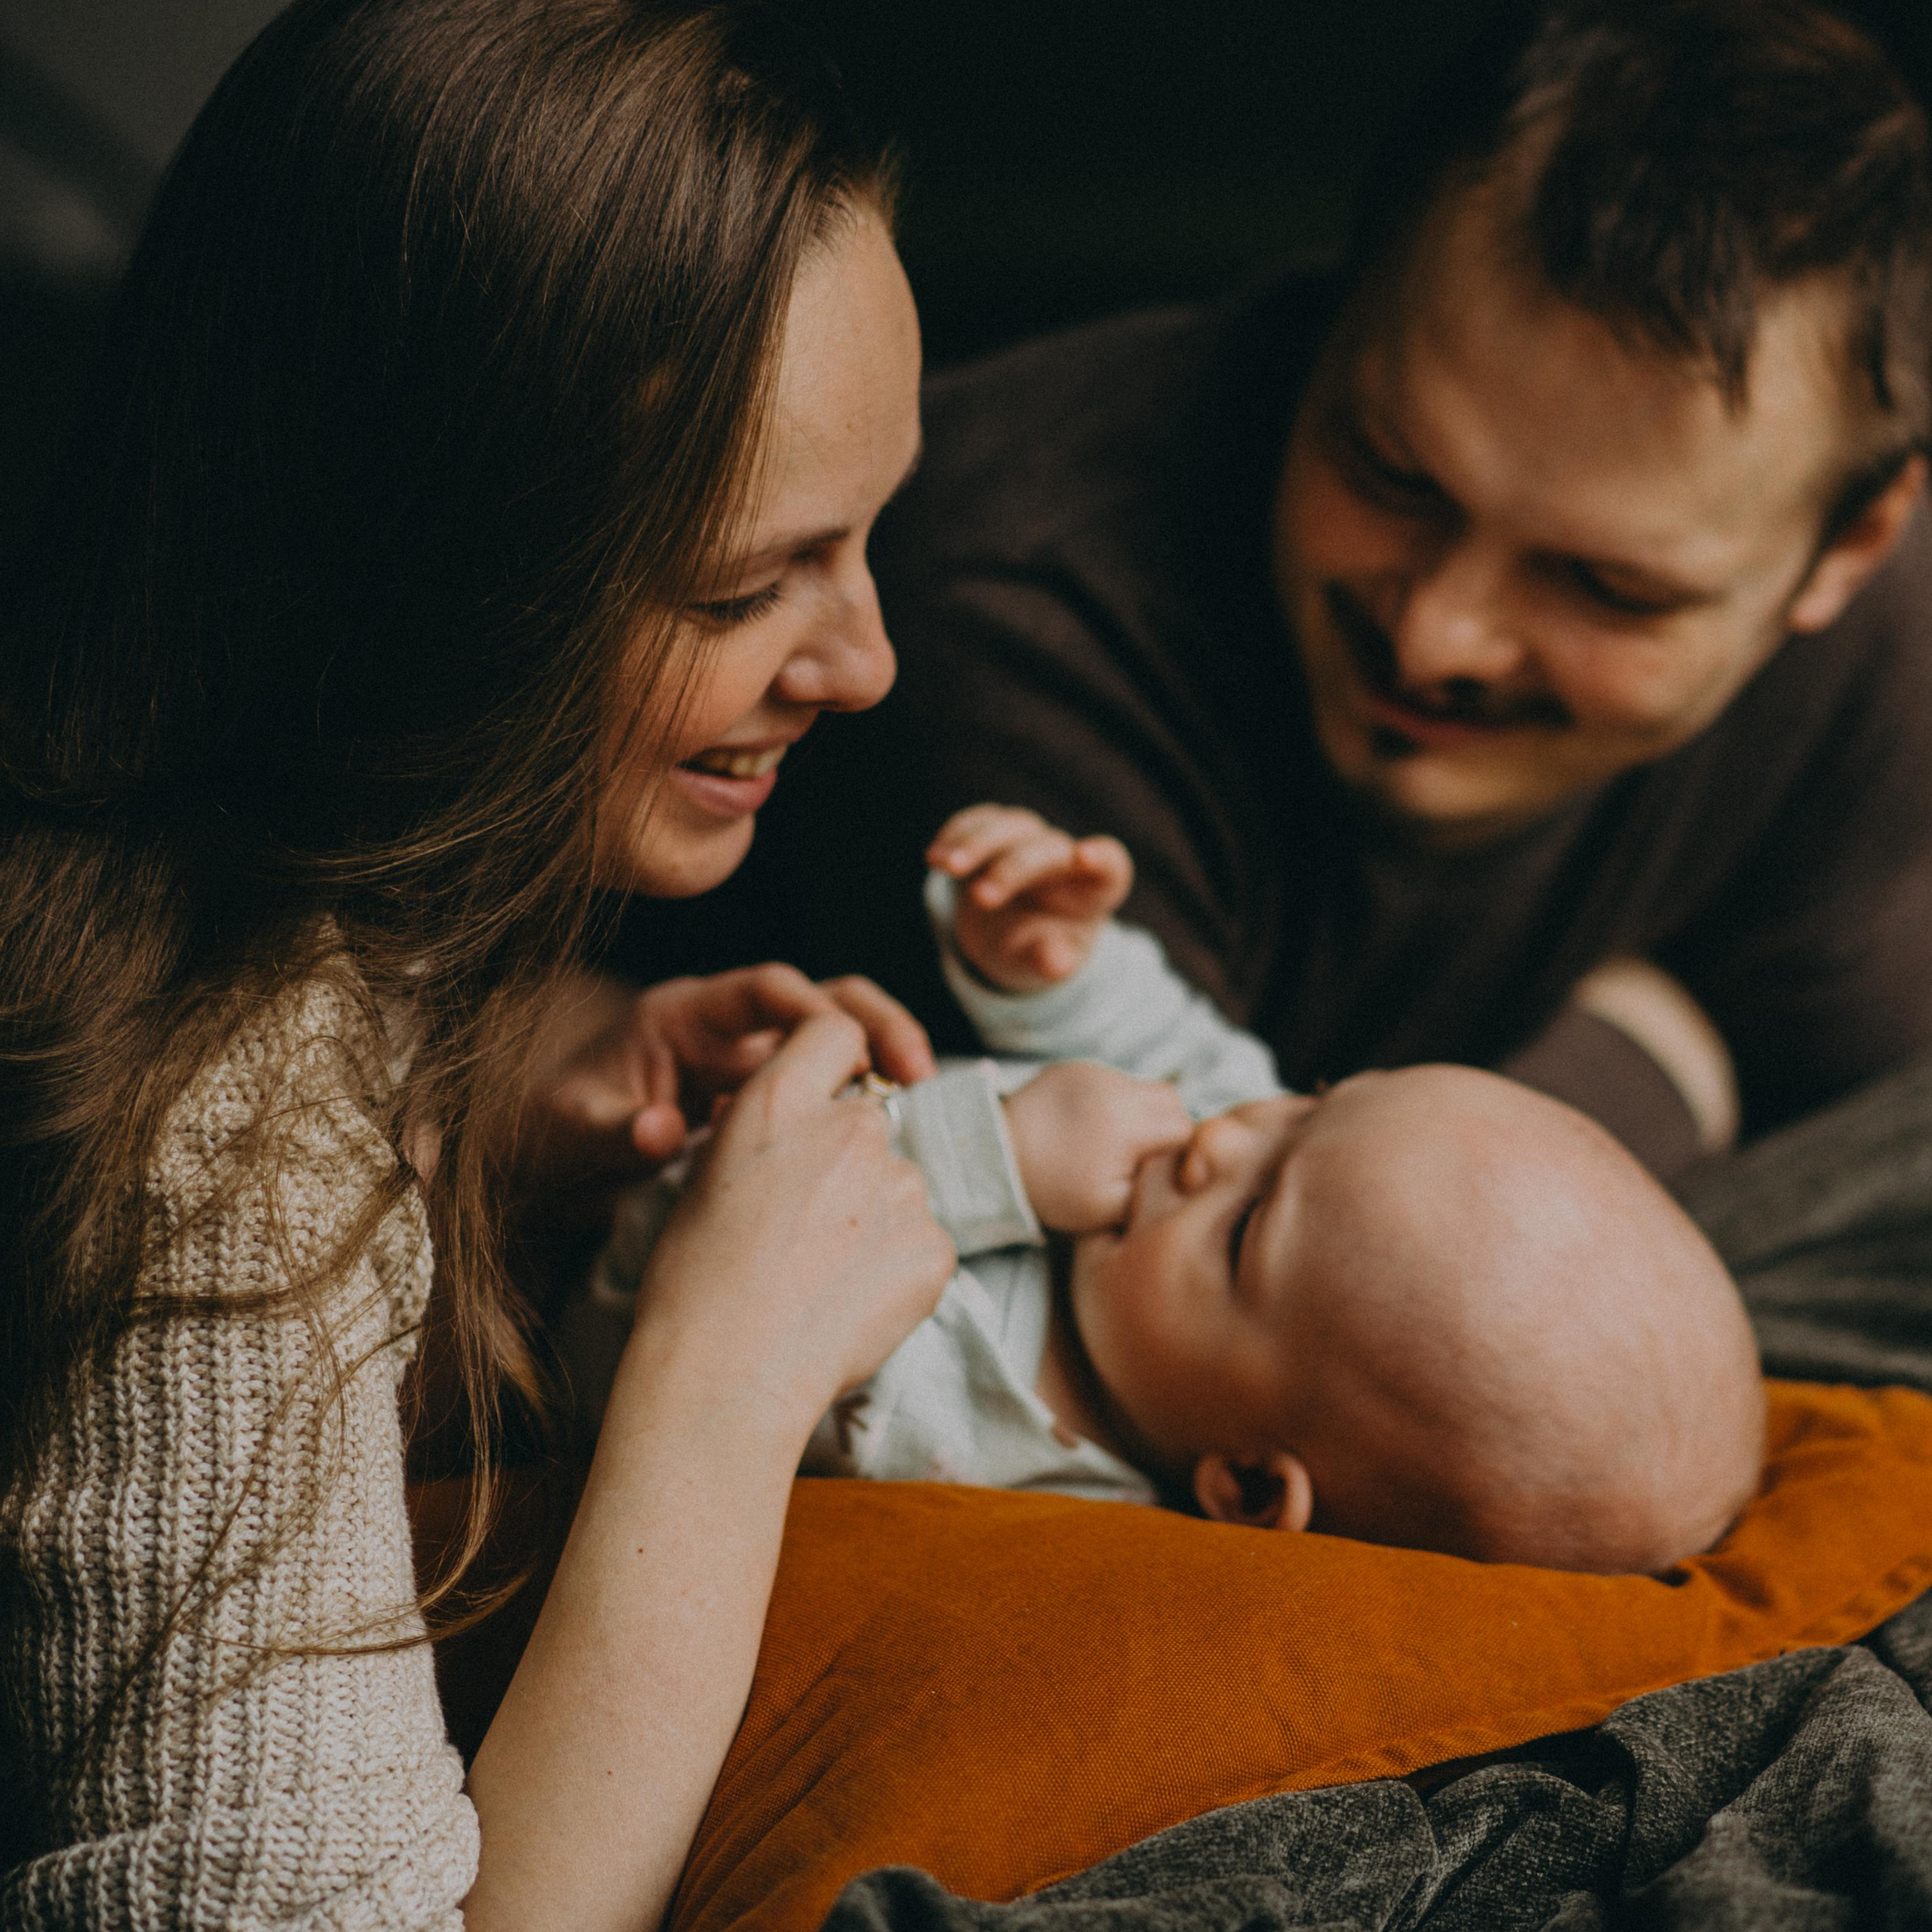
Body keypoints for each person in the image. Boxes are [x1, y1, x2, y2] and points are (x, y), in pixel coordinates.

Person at [0, 5, 958, 1929]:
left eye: (871, 536)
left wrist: (511, 1074)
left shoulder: (196, 901)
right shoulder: (213, 1127)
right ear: (428, 570)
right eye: (740, 584)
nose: (862, 661)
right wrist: (723, 1372)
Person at [643, 0, 1932, 1182]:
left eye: (1607, 586)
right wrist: (1656, 1060)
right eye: (1392, 472)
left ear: (1851, 544)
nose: (1436, 637)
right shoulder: (1011, 600)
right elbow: (1231, 1279)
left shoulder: (1878, 642)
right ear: (1337, 300)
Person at [580, 804, 1765, 1574]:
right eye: (1314, 1101)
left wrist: (992, 1155)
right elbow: (1175, 1044)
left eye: (1242, 1231)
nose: (1223, 1135)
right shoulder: (1235, 1148)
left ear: (1243, 1485)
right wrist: (1054, 965)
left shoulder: (947, 1441)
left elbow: (681, 1270)